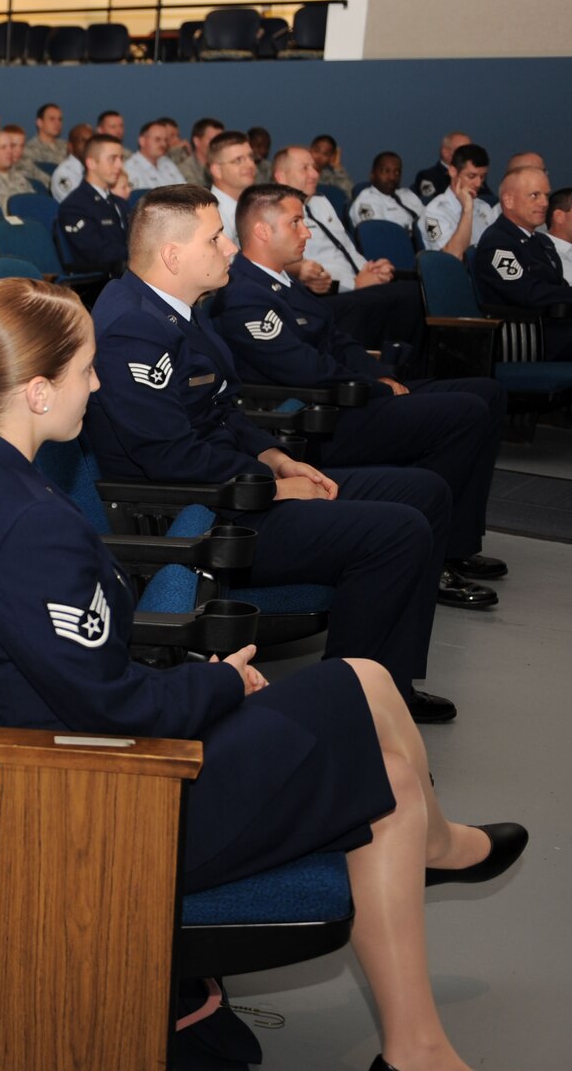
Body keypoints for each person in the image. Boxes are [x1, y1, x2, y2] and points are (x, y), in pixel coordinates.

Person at [0, 274, 551, 1071]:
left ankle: (435, 882)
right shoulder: (26, 521)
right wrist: (219, 682)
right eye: (87, 372)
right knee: (388, 775)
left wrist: (205, 680)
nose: (98, 387)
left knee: (362, 677)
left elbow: (87, 670)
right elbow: (106, 707)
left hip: (107, 756)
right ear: (37, 390)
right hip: (116, 800)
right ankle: (417, 1034)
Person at [85, 186, 464, 722]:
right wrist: (275, 488)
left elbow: (224, 413)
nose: (230, 249)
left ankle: (389, 686)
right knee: (396, 532)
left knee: (424, 493)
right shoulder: (132, 330)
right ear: (172, 255)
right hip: (200, 518)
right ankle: (353, 711)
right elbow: (172, 459)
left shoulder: (178, 312)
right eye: (215, 239)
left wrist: (275, 458)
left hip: (239, 485)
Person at [219, 183, 508, 588]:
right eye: (296, 222)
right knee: (464, 414)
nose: (307, 232)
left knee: (488, 393)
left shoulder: (281, 282)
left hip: (348, 396)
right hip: (314, 417)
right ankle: (436, 556)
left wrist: (379, 376)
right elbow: (302, 369)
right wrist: (375, 388)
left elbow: (339, 341)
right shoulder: (242, 294)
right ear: (263, 231)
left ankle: (458, 542)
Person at [271, 144, 424, 353]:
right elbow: (297, 269)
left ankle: (403, 371)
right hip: (329, 296)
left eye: (315, 168)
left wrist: (371, 269)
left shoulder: (320, 202)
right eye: (305, 168)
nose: (315, 174)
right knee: (403, 297)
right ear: (281, 176)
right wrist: (353, 284)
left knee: (415, 292)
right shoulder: (274, 213)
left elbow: (347, 248)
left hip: (357, 286)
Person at [474, 166, 572, 362]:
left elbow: (557, 287)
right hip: (527, 340)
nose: (545, 203)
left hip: (557, 328)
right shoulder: (497, 244)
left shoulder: (541, 242)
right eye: (535, 195)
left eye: (546, 195)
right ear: (509, 200)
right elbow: (528, 294)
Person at [56, 133, 132, 275]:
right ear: (91, 163)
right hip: (101, 284)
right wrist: (143, 255)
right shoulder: (75, 206)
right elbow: (98, 253)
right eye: (112, 159)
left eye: (121, 159)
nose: (119, 165)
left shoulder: (120, 203)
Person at [420, 143, 496, 257]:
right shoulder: (433, 213)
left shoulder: (483, 208)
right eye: (471, 176)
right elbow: (452, 258)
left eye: (482, 177)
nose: (478, 183)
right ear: (453, 172)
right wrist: (467, 210)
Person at [348, 151, 428, 231]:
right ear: (372, 175)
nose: (392, 178)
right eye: (386, 171)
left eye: (397, 172)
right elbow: (379, 235)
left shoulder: (407, 195)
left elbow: (430, 220)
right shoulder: (366, 202)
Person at [204, 129, 255, 243]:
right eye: (238, 160)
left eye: (251, 157)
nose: (250, 164)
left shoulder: (255, 208)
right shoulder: (208, 215)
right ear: (217, 170)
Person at [123, 120, 184, 190]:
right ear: (142, 141)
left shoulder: (168, 163)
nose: (163, 144)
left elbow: (185, 190)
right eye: (157, 139)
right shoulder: (130, 169)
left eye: (165, 140)